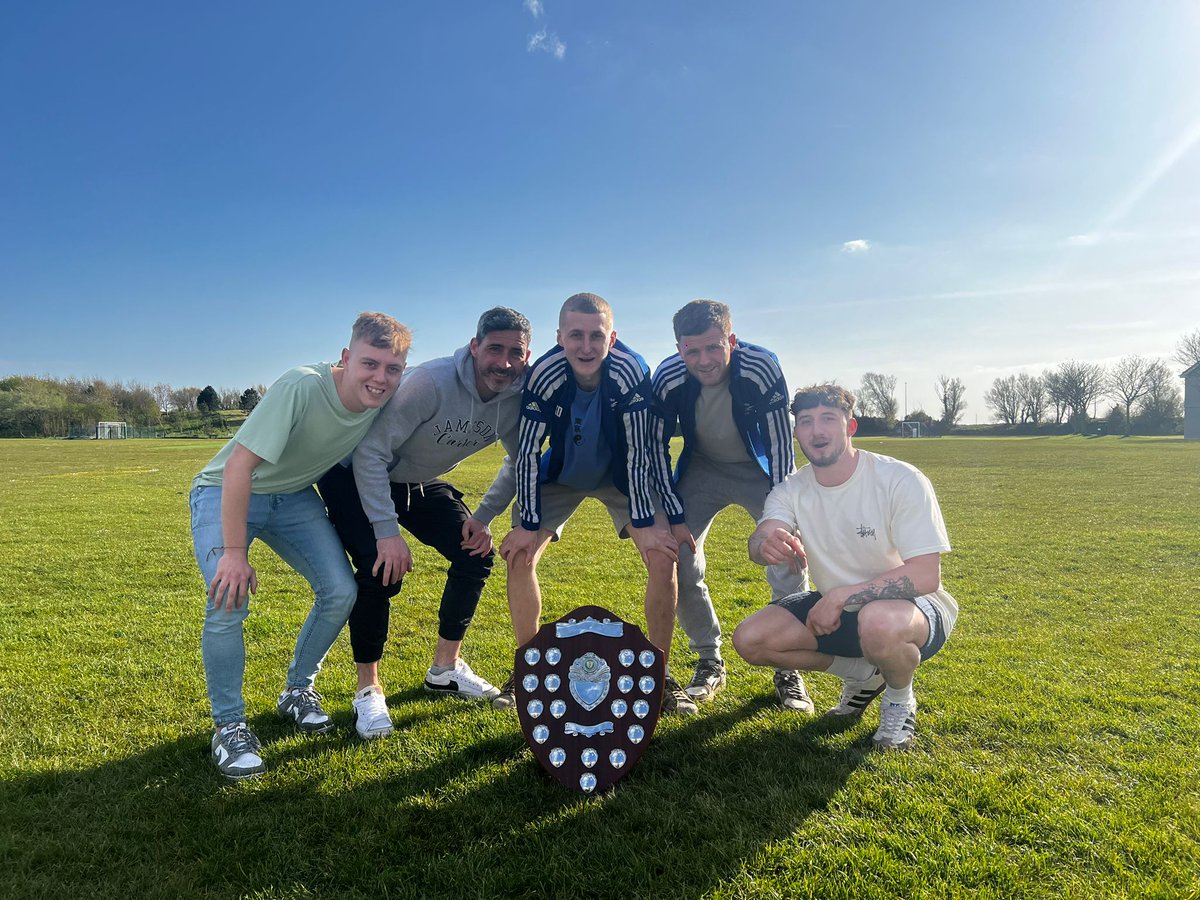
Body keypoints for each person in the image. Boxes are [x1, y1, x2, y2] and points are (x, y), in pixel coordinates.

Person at [190, 312, 410, 779]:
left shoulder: (384, 401)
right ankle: (228, 726)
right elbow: (237, 469)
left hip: (292, 497)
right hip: (226, 491)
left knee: (341, 591)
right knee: (227, 598)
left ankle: (297, 690)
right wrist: (234, 555)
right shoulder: (301, 386)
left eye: (393, 369)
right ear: (347, 357)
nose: (380, 378)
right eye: (370, 364)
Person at [317, 307, 532, 739]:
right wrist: (386, 532)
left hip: (416, 480)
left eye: (515, 353)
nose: (504, 363)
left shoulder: (518, 394)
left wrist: (485, 516)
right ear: (474, 347)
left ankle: (445, 667)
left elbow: (521, 459)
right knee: (382, 569)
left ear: (527, 356)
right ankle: (368, 690)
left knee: (476, 552)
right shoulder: (430, 382)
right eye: (494, 349)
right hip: (356, 475)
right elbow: (370, 454)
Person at [498, 292, 696, 714]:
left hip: (622, 478)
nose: (586, 347)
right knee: (519, 554)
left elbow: (643, 450)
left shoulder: (630, 370)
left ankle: (658, 674)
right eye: (576, 336)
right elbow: (528, 453)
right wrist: (528, 523)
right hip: (562, 476)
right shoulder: (545, 374)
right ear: (559, 337)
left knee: (663, 556)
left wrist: (647, 521)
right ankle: (528, 668)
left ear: (612, 337)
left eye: (596, 336)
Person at [732, 384, 958, 750]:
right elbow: (763, 535)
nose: (817, 431)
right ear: (796, 433)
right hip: (838, 608)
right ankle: (865, 674)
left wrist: (842, 595)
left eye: (828, 419)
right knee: (750, 640)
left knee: (878, 620)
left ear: (850, 427)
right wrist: (766, 543)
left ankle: (900, 700)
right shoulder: (791, 488)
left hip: (914, 610)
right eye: (806, 422)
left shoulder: (900, 479)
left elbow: (925, 575)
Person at [650, 300, 812, 711]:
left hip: (757, 472)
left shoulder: (760, 365)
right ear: (678, 348)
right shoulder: (667, 376)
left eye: (713, 347)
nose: (703, 361)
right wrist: (673, 512)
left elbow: (779, 445)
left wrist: (783, 514)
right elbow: (655, 449)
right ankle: (709, 660)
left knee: (787, 553)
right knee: (678, 558)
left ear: (731, 340)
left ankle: (786, 666)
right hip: (701, 470)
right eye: (692, 350)